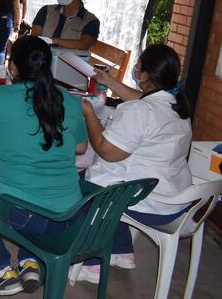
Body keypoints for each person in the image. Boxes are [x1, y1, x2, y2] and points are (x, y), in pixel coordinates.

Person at [0, 36, 88, 295]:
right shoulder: (67, 99)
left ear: (13, 69)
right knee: (13, 192)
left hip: (28, 217)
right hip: (69, 216)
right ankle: (28, 261)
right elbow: (80, 148)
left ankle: (1, 270)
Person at [76, 44, 192, 284]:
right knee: (111, 177)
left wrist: (88, 115)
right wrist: (108, 81)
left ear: (147, 75)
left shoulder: (141, 110)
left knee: (85, 184)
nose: (136, 71)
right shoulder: (175, 104)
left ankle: (92, 264)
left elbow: (106, 151)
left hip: (151, 205)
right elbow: (142, 100)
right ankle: (121, 249)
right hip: (177, 200)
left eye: (138, 68)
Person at [30, 0, 99, 50]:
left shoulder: (90, 21)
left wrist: (53, 41)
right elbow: (35, 39)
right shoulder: (46, 11)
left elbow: (84, 44)